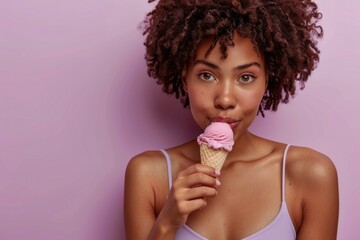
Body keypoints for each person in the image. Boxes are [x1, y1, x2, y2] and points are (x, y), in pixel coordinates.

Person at [124, 0, 339, 239]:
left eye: (246, 77)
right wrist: (167, 223)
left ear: (267, 79)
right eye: (207, 75)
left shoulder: (310, 175)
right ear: (185, 78)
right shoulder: (148, 175)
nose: (225, 99)